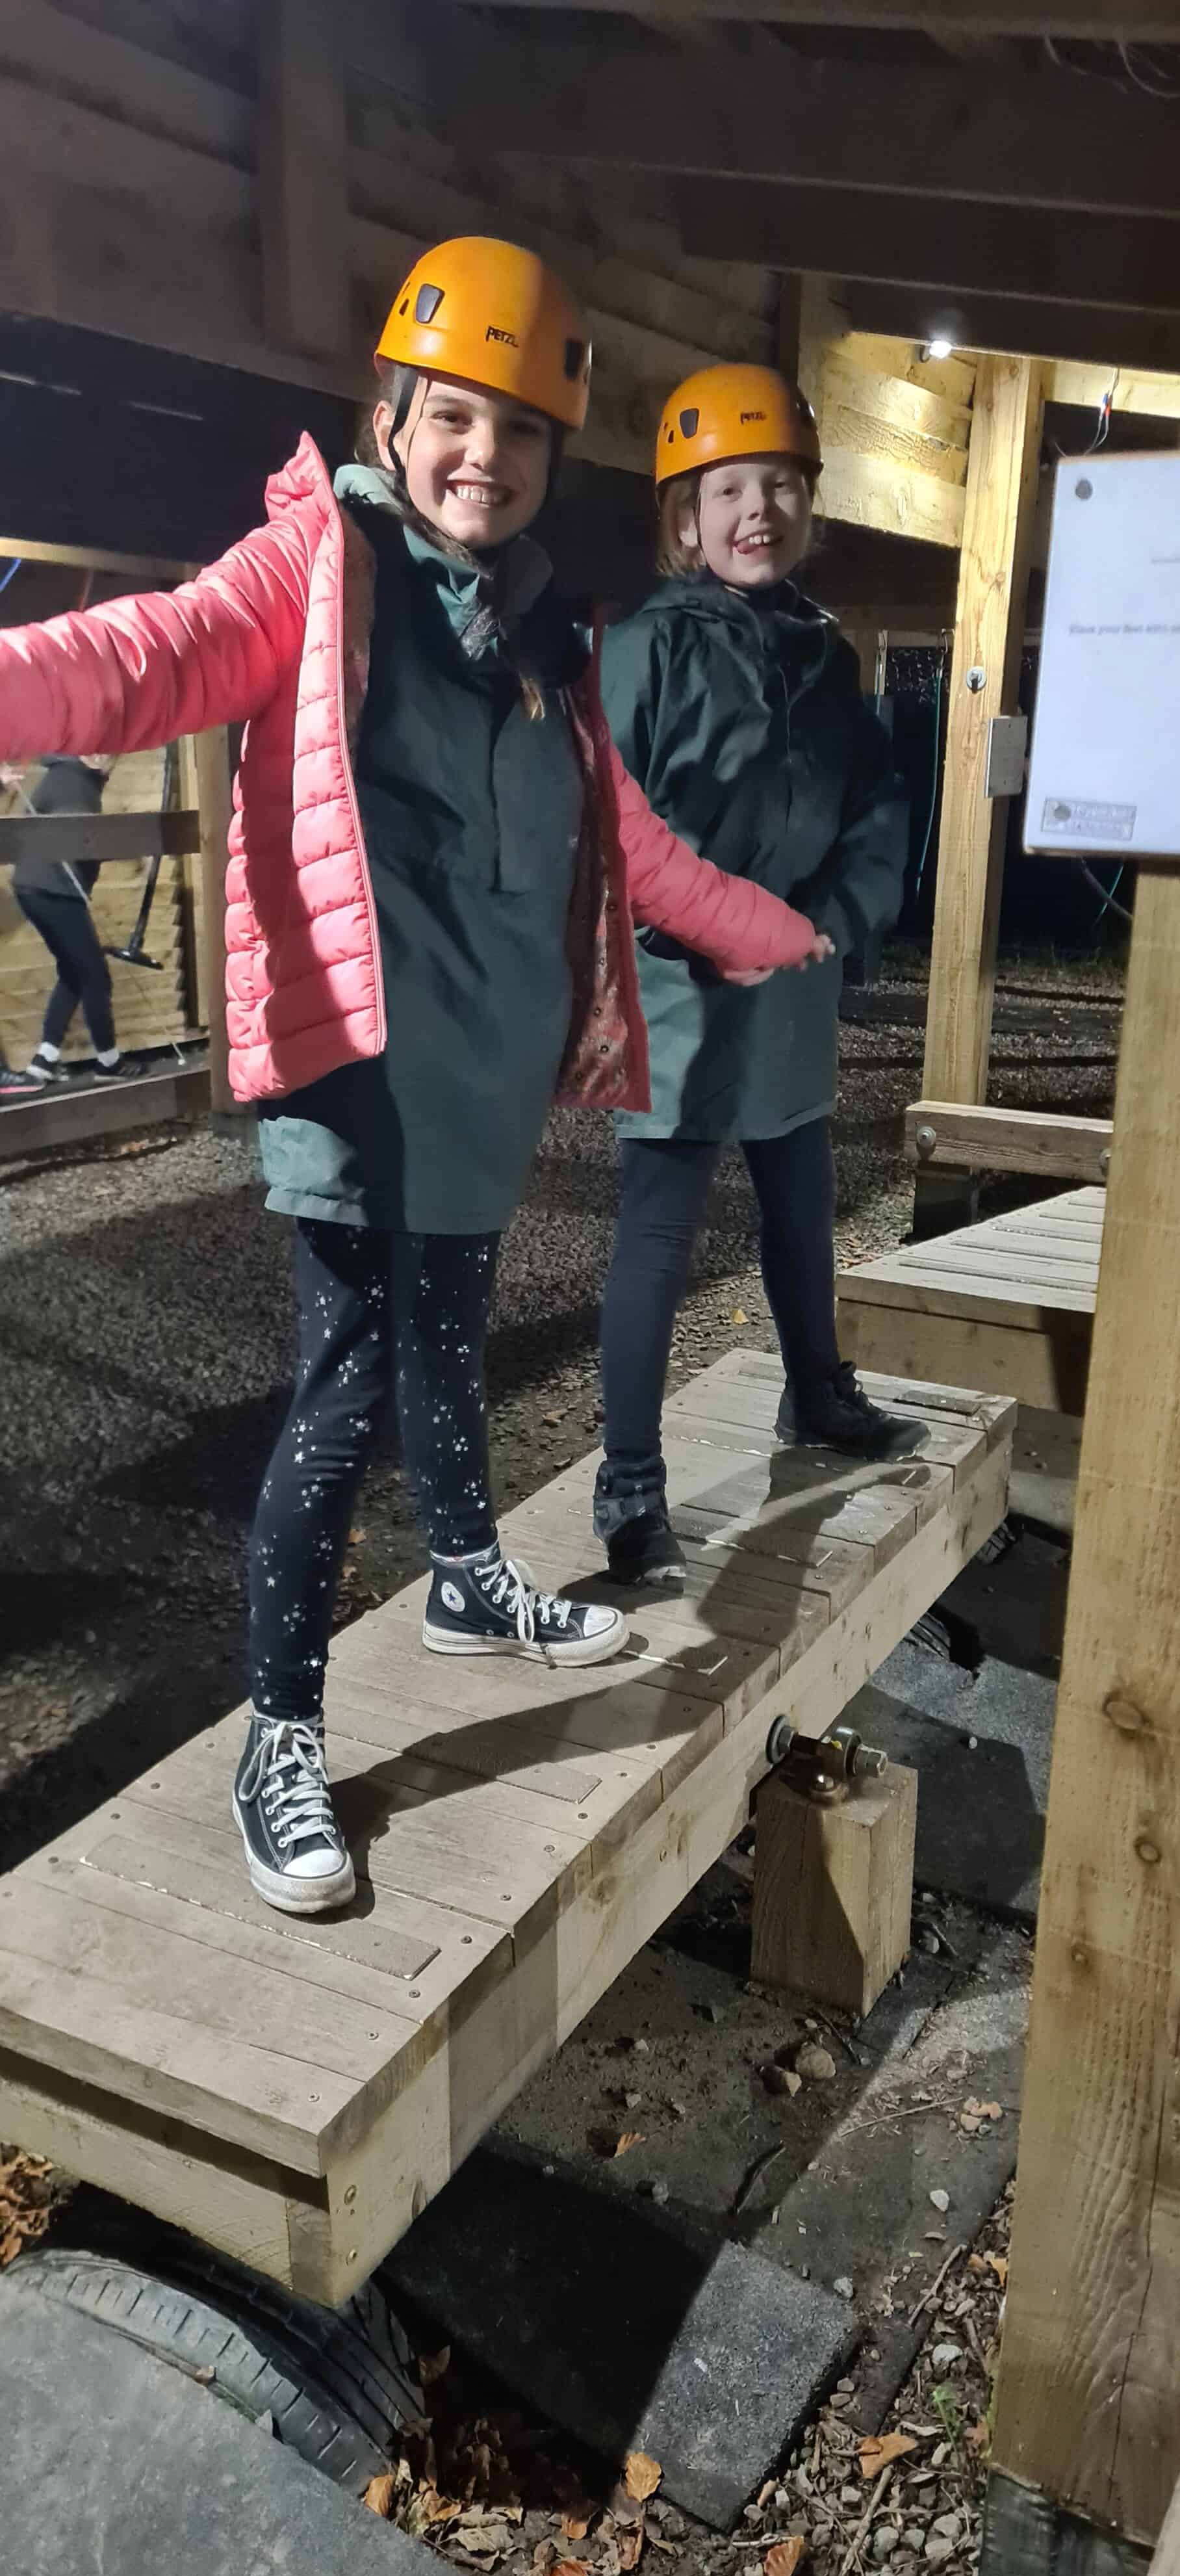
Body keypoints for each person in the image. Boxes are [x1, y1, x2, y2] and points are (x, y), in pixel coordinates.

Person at [0, 241, 825, 1917]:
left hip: (479, 1088)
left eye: (519, 431)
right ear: (390, 412)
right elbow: (145, 655)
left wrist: (773, 935)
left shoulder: (547, 638)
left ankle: (462, 1579)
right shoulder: (319, 565)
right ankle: (281, 1737)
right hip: (361, 1079)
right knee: (343, 1397)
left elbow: (636, 848)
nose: (483, 456)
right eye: (453, 415)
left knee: (448, 1340)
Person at [595, 362, 923, 1588]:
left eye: (781, 485)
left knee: (801, 1200)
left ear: (809, 506)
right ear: (686, 518)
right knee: (657, 1231)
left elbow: (878, 801)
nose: (758, 511)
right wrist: (692, 924)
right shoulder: (645, 649)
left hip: (791, 977)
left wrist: (838, 914)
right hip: (681, 983)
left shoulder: (825, 660)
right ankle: (631, 1485)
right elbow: (605, 815)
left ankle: (816, 1392)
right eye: (729, 488)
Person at [0, 752, 145, 1091]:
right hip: (54, 888)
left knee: (73, 972)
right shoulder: (75, 779)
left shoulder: (71, 776)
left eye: (112, 757)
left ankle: (44, 1060)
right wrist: (128, 848)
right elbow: (81, 837)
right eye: (104, 755)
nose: (109, 762)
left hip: (37, 887)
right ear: (88, 755)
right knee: (95, 975)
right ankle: (109, 1061)